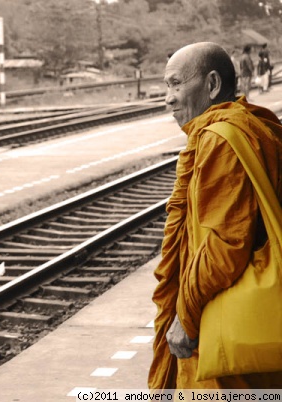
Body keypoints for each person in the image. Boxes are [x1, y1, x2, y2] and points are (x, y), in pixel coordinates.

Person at [149, 42, 282, 389]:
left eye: (177, 84)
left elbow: (225, 244)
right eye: (167, 86)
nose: (169, 97)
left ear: (211, 85)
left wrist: (185, 316)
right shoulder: (249, 124)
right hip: (245, 318)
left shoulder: (220, 139)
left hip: (220, 320)